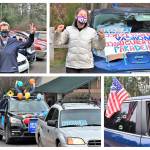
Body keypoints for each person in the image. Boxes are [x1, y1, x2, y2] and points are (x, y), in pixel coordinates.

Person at [55, 8, 106, 73]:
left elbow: (99, 47)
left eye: (85, 15)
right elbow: (58, 42)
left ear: (87, 18)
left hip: (86, 66)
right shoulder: (68, 29)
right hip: (71, 66)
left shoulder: (92, 31)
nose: (83, 16)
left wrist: (102, 39)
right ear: (76, 16)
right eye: (81, 14)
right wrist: (57, 32)